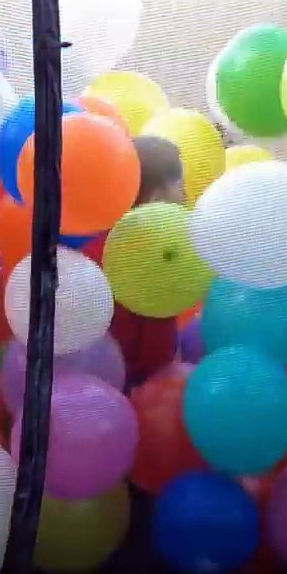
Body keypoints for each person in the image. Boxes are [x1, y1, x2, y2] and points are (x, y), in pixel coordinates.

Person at [110, 136, 186, 388]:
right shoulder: (155, 256)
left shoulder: (109, 238)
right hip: (141, 384)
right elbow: (155, 355)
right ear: (155, 198)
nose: (185, 194)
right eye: (179, 185)